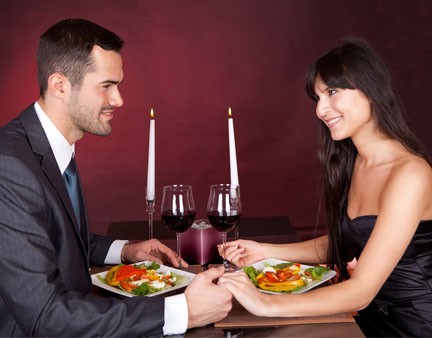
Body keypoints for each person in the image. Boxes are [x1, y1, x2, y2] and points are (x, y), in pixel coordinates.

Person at [0, 18, 231, 337]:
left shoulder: (49, 144)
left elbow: (54, 236)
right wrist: (182, 312)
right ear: (60, 86)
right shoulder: (8, 165)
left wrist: (125, 251)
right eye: (106, 86)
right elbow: (45, 316)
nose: (119, 100)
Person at [218, 37, 432, 337]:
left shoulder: (411, 174)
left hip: (415, 326)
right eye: (317, 98)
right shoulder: (355, 162)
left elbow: (361, 292)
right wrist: (265, 253)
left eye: (332, 92)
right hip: (366, 322)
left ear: (372, 91)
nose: (321, 109)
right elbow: (346, 240)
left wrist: (265, 304)